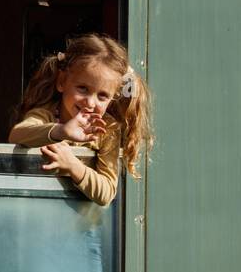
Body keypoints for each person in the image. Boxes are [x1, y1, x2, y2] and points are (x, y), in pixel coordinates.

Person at [8, 34, 153, 206]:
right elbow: (16, 135)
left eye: (102, 96)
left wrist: (72, 165)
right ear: (62, 81)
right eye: (83, 88)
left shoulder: (107, 129)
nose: (90, 103)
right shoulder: (47, 114)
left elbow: (107, 192)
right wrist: (60, 131)